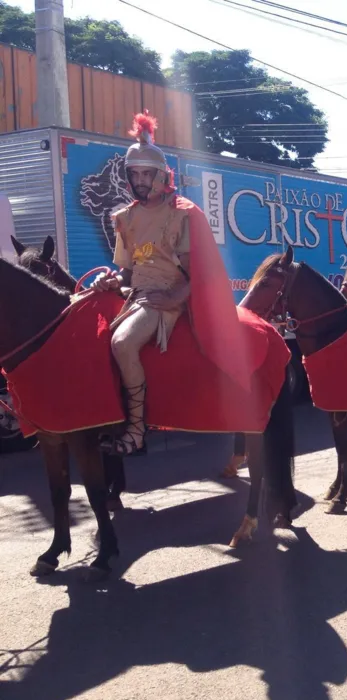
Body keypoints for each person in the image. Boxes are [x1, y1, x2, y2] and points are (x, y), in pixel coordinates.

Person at [91, 112, 249, 455]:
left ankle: (136, 431)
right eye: (135, 174)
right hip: (136, 296)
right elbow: (127, 273)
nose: (141, 180)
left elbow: (198, 274)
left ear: (162, 175)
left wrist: (177, 297)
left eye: (147, 173)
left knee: (122, 342)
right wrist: (109, 280)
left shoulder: (180, 213)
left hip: (164, 299)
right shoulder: (125, 218)